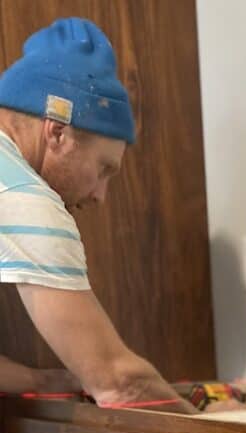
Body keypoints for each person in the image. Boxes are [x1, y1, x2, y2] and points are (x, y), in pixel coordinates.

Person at [0, 17, 195, 412]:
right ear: (57, 132)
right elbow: (121, 384)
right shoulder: (23, 195)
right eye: (104, 168)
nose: (101, 196)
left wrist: (45, 380)